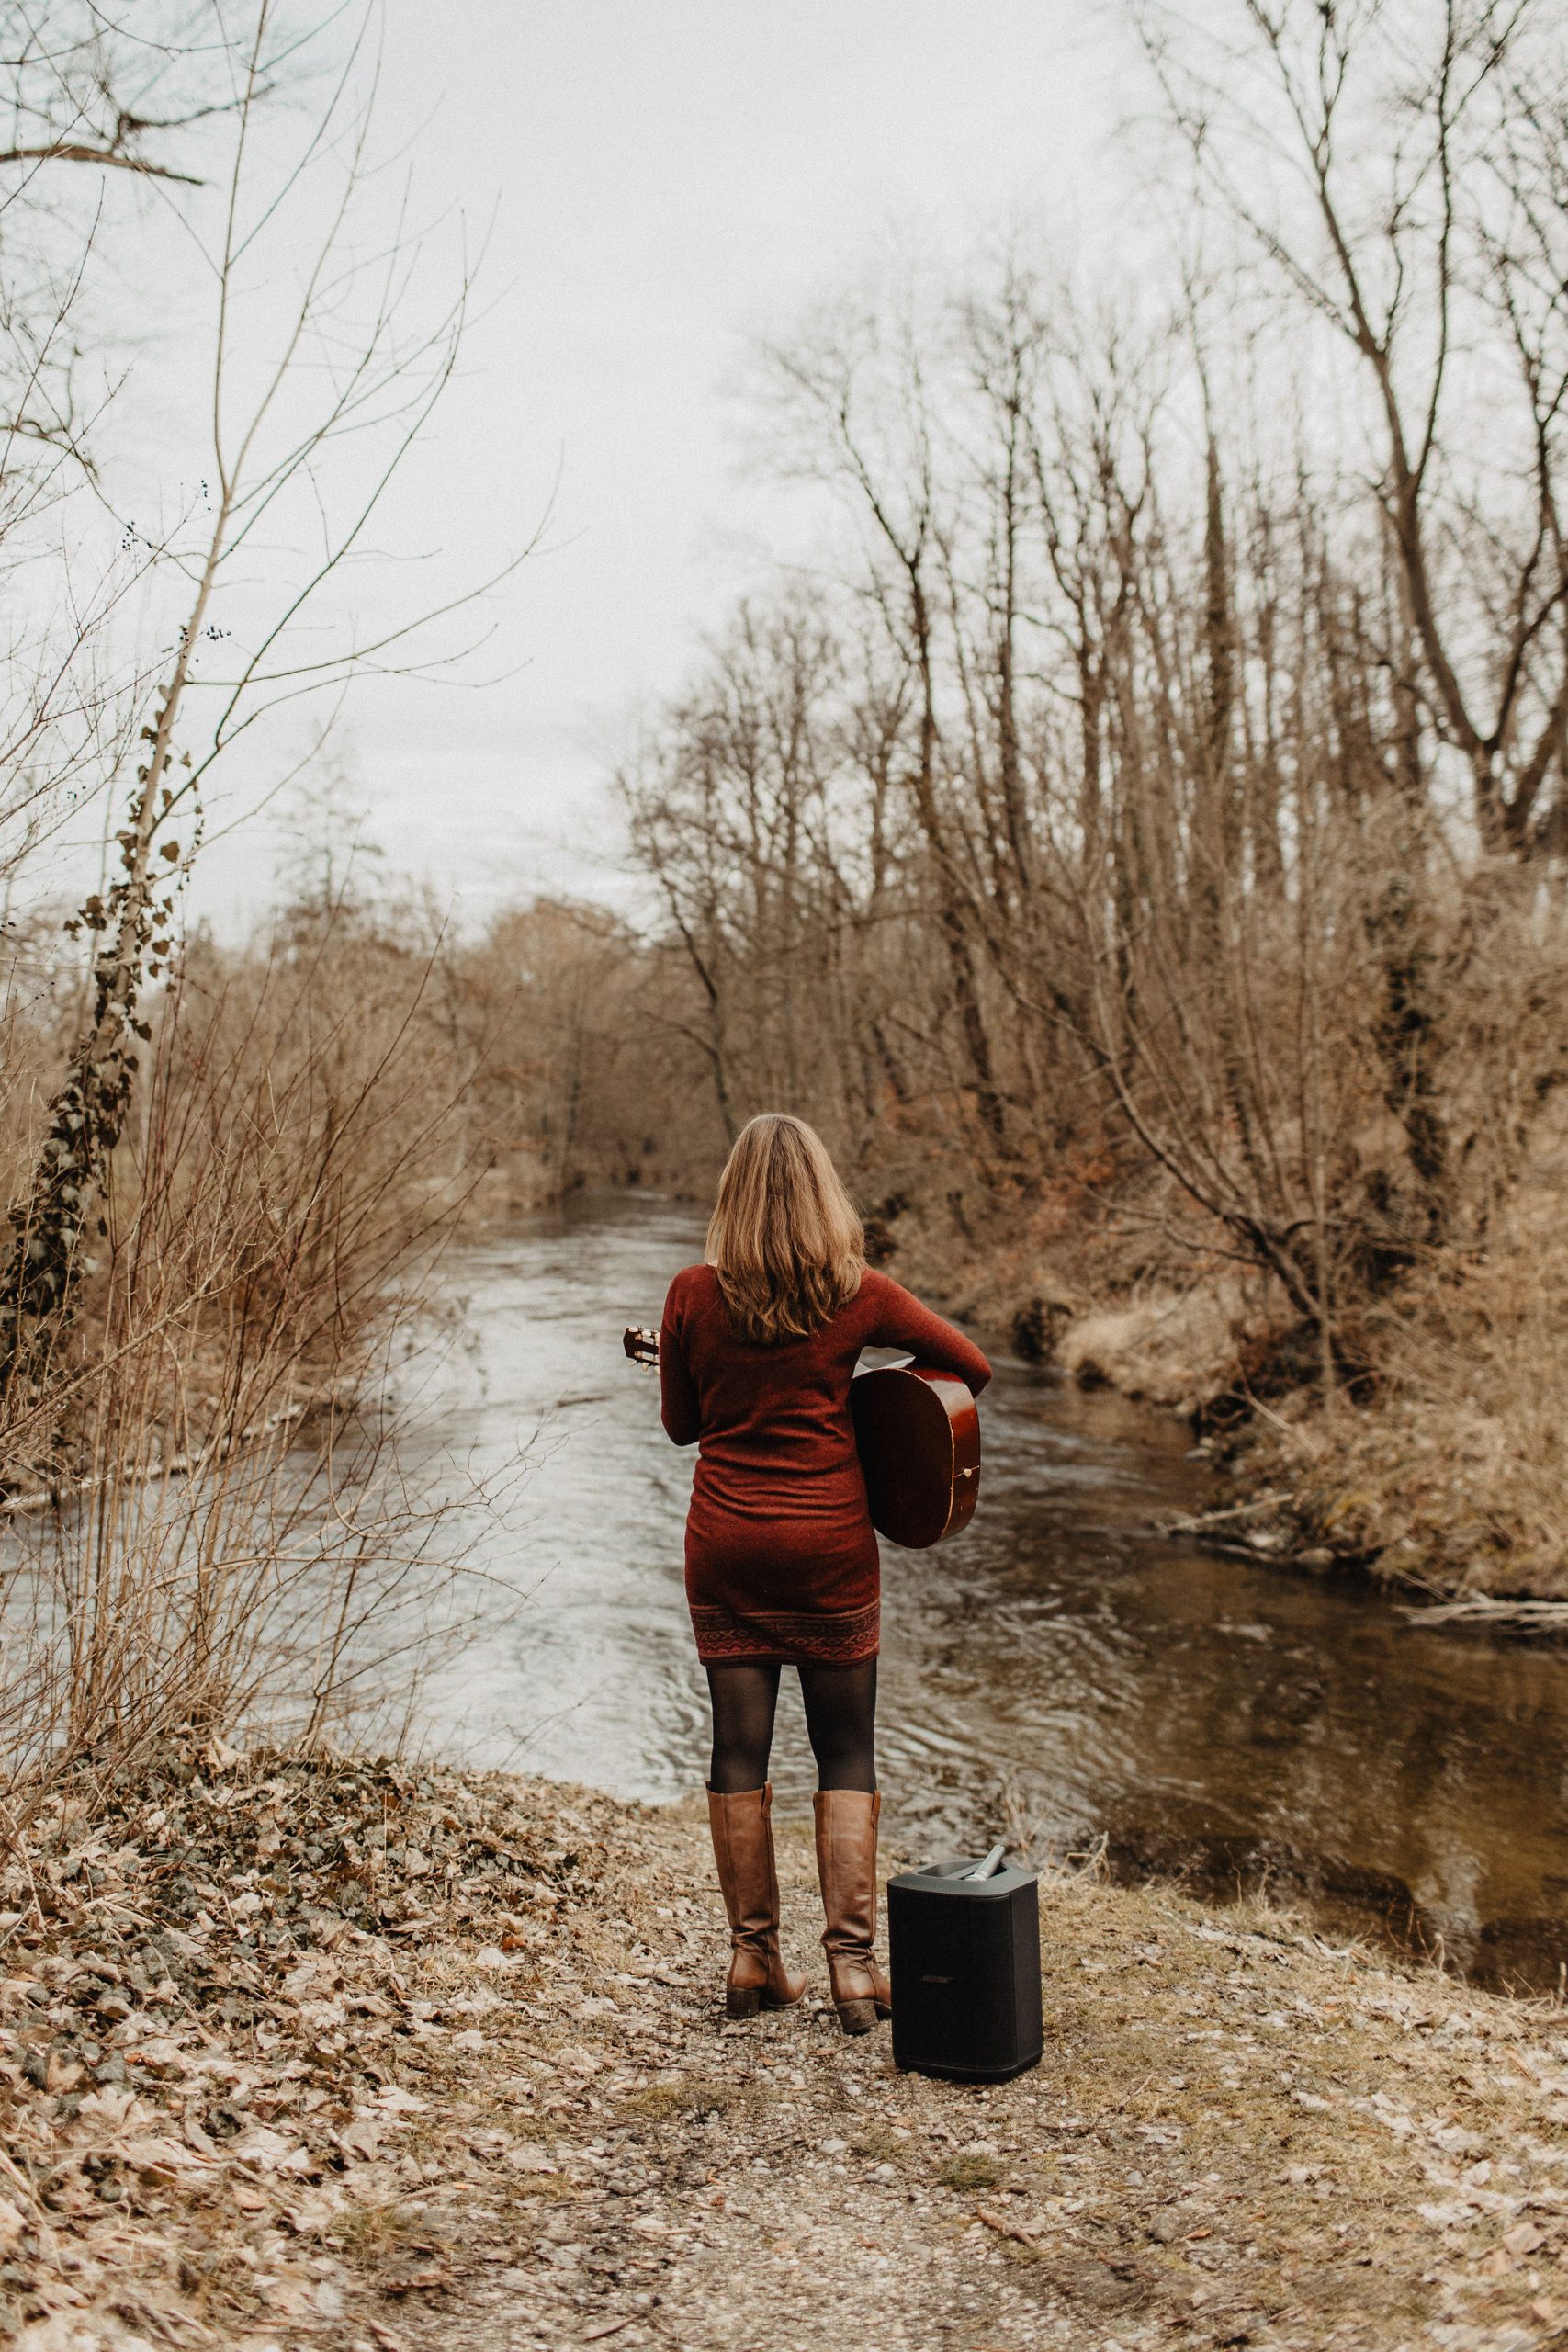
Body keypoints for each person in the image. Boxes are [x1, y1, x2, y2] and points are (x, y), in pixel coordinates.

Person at [658, 1113, 991, 2034]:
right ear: (822, 1197)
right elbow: (972, 1366)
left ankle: (752, 1954)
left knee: (737, 1752)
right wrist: (862, 1401)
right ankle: (852, 1968)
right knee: (846, 1749)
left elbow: (684, 1427)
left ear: (731, 1197)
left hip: (726, 1543)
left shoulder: (691, 1293)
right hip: (830, 1546)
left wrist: (695, 1363)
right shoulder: (861, 1293)